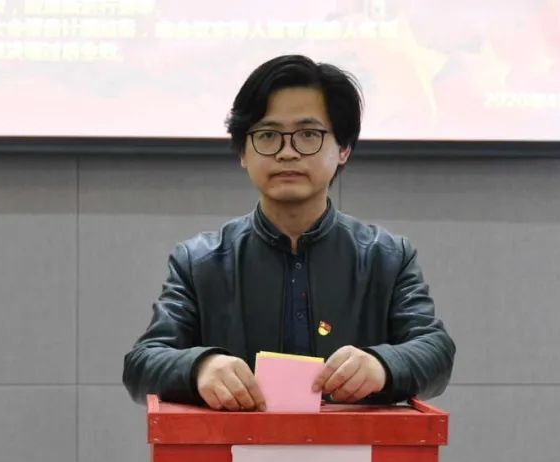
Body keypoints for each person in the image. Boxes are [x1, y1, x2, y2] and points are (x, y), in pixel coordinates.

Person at [123, 55, 454, 409]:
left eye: (308, 135)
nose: (287, 153)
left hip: (355, 443)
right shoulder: (199, 261)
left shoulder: (385, 257)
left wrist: (382, 364)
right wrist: (199, 367)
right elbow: (143, 363)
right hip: (232, 444)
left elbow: (435, 350)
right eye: (268, 136)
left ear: (343, 148)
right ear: (243, 152)